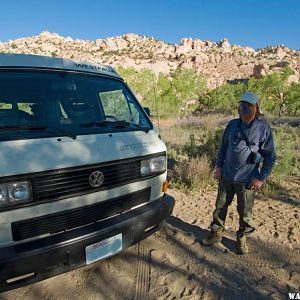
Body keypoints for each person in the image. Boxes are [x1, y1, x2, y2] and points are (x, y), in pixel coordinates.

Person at [202, 92, 276, 255]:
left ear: (257, 108)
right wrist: (219, 167)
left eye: (249, 105)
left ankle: (242, 238)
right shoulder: (232, 125)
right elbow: (223, 148)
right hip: (226, 176)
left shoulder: (263, 128)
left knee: (245, 212)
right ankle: (216, 233)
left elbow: (270, 156)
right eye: (242, 104)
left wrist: (260, 178)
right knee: (220, 207)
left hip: (248, 180)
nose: (244, 108)